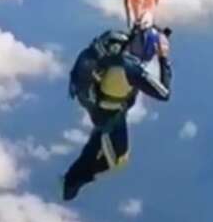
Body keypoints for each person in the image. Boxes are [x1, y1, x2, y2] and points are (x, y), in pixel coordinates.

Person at [62, 23, 172, 201]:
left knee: (97, 141)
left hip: (98, 104)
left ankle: (72, 180)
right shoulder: (132, 68)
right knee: (118, 159)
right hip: (111, 112)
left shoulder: (116, 44)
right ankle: (73, 182)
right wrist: (163, 58)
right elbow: (164, 93)